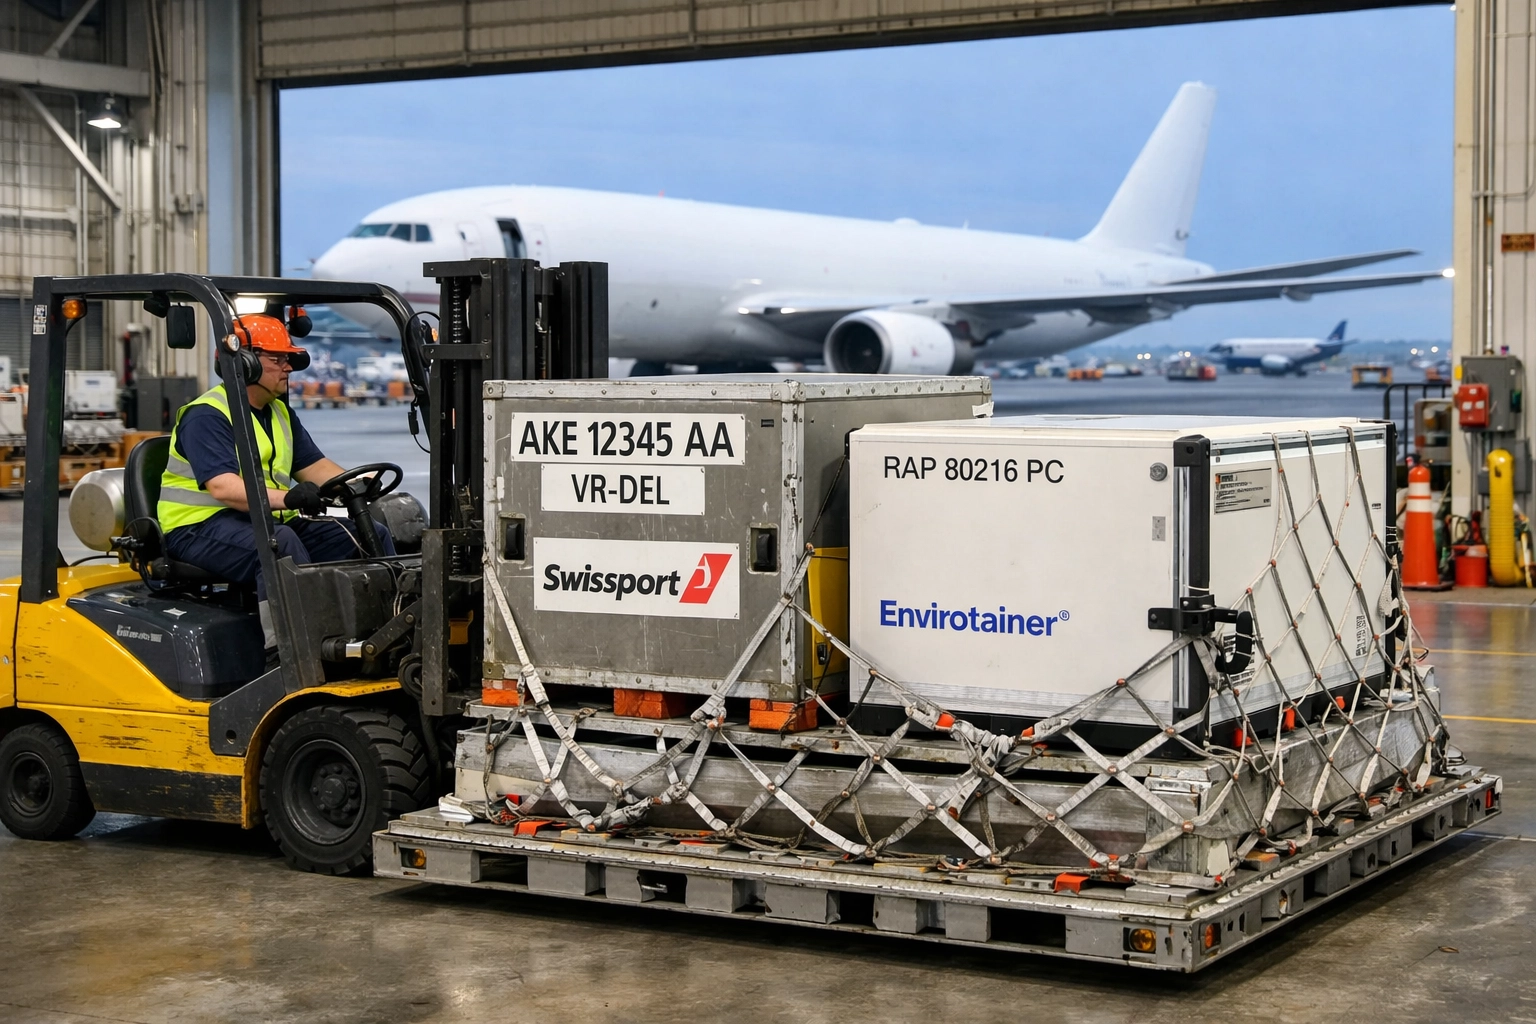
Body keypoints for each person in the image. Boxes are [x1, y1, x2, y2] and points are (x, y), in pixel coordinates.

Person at [157, 312, 394, 653]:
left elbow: (314, 467)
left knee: (367, 533)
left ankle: (384, 634)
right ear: (247, 364)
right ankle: (290, 652)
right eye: (277, 359)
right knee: (279, 544)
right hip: (196, 529)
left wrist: (358, 482)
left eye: (288, 359)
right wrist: (290, 499)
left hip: (260, 520)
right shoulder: (208, 415)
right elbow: (223, 488)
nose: (288, 367)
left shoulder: (279, 412)